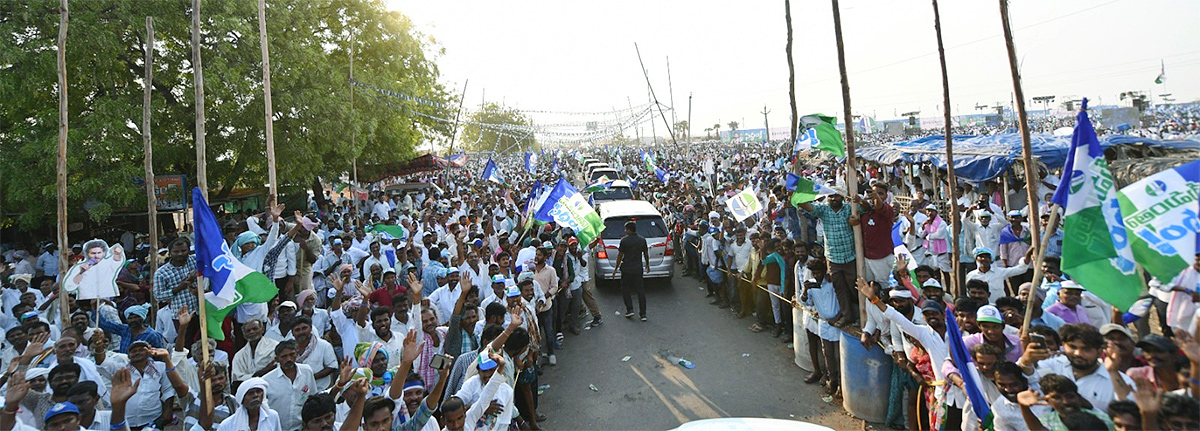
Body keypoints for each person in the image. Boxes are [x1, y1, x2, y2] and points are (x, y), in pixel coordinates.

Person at [262, 340, 317, 431]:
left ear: (297, 354)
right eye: (284, 357)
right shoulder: (267, 380)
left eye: (292, 355)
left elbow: (312, 398)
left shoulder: (307, 371)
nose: (289, 359)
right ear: (276, 359)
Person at [612, 221, 650, 321]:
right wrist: (647, 265)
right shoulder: (642, 240)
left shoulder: (624, 241)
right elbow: (646, 254)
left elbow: (620, 255)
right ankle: (643, 314)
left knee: (625, 288)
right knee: (640, 290)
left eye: (626, 229)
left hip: (626, 269)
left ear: (628, 229)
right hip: (638, 268)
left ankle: (630, 309)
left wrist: (616, 268)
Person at [216, 377, 281, 431]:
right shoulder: (227, 425)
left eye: (258, 392)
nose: (255, 395)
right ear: (242, 399)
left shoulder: (273, 416)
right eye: (250, 393)